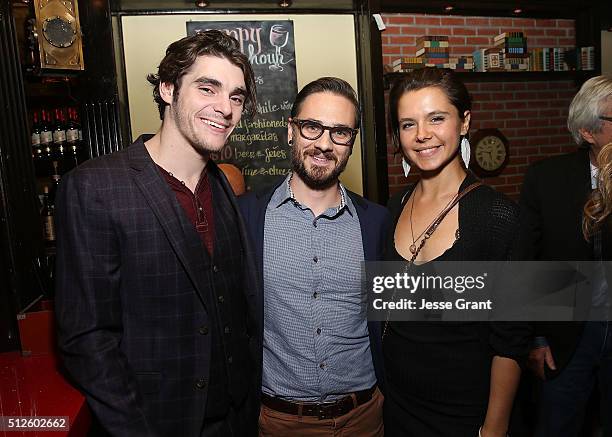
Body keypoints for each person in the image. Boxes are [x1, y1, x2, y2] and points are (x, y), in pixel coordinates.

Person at [54, 30, 261, 436]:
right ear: (168, 89)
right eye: (208, 88)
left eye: (236, 97)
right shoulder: (96, 187)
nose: (225, 108)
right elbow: (86, 337)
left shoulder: (223, 186)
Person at [238, 77, 389, 436]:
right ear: (291, 130)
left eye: (340, 132)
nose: (324, 144)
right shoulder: (245, 218)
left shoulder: (377, 223)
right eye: (311, 127)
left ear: (352, 142)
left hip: (364, 419)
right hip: (278, 422)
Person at [383, 67, 528, 437]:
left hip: (464, 416)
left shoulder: (499, 216)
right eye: (407, 124)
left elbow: (510, 340)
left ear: (464, 122)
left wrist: (494, 428)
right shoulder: (394, 206)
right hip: (396, 409)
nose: (422, 135)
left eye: (436, 118)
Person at [517, 74, 612, 436]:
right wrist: (537, 338)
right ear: (589, 132)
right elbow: (530, 263)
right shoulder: (546, 178)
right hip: (568, 335)